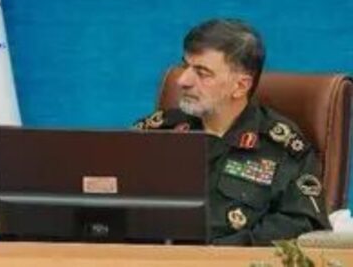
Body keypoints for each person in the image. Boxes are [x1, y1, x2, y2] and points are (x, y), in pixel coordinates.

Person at [134, 19, 330, 245]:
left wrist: (220, 251)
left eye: (202, 73)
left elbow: (303, 223)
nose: (183, 80)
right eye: (185, 66)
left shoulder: (281, 146)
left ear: (240, 86)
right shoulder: (158, 131)